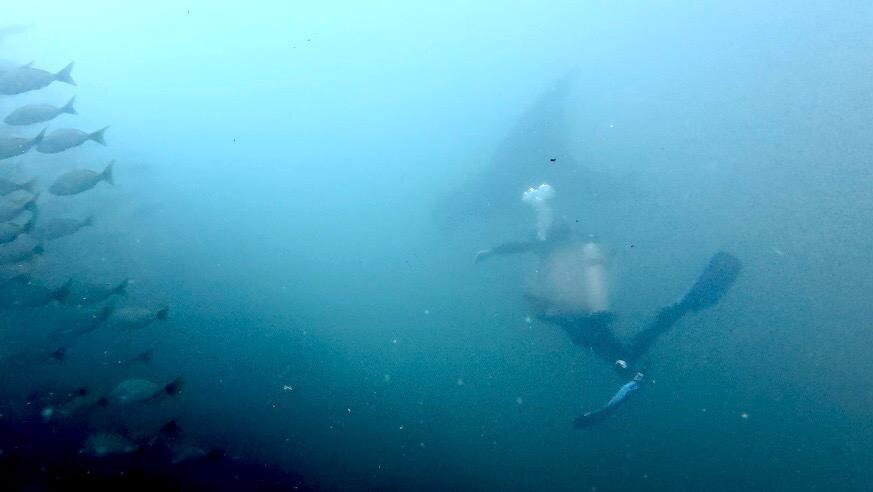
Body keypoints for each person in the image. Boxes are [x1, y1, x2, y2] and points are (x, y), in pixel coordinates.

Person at [476, 218, 741, 427]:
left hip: (577, 313)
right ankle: (642, 351)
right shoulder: (575, 246)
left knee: (603, 345)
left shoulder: (547, 246)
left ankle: (632, 371)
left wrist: (491, 251)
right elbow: (605, 262)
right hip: (589, 311)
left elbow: (519, 247)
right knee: (610, 346)